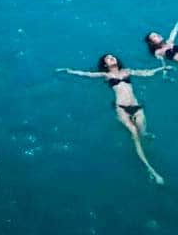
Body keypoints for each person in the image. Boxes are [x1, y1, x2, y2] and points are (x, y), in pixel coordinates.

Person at [56, 54, 169, 184]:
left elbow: (146, 73)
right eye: (108, 58)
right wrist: (67, 70)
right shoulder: (106, 75)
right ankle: (151, 169)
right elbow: (86, 74)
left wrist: (161, 69)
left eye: (113, 57)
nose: (112, 58)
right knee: (134, 134)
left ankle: (146, 136)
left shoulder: (127, 71)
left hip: (136, 106)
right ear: (105, 64)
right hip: (121, 108)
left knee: (142, 132)